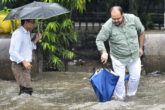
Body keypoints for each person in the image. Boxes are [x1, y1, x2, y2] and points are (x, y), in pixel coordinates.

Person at [96, 6, 145, 101]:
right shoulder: (108, 26)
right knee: (119, 81)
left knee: (136, 77)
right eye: (113, 19)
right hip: (118, 57)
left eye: (118, 18)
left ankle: (131, 96)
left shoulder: (133, 19)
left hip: (134, 55)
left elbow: (142, 32)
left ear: (123, 14)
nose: (116, 21)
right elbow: (99, 39)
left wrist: (140, 48)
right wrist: (104, 52)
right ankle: (120, 100)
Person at [9, 19, 42, 96]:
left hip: (26, 65)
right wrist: (24, 61)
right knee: (27, 89)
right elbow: (12, 51)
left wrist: (36, 39)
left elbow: (29, 47)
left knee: (25, 90)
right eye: (32, 23)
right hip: (19, 65)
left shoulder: (27, 33)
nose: (33, 25)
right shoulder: (18, 33)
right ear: (26, 23)